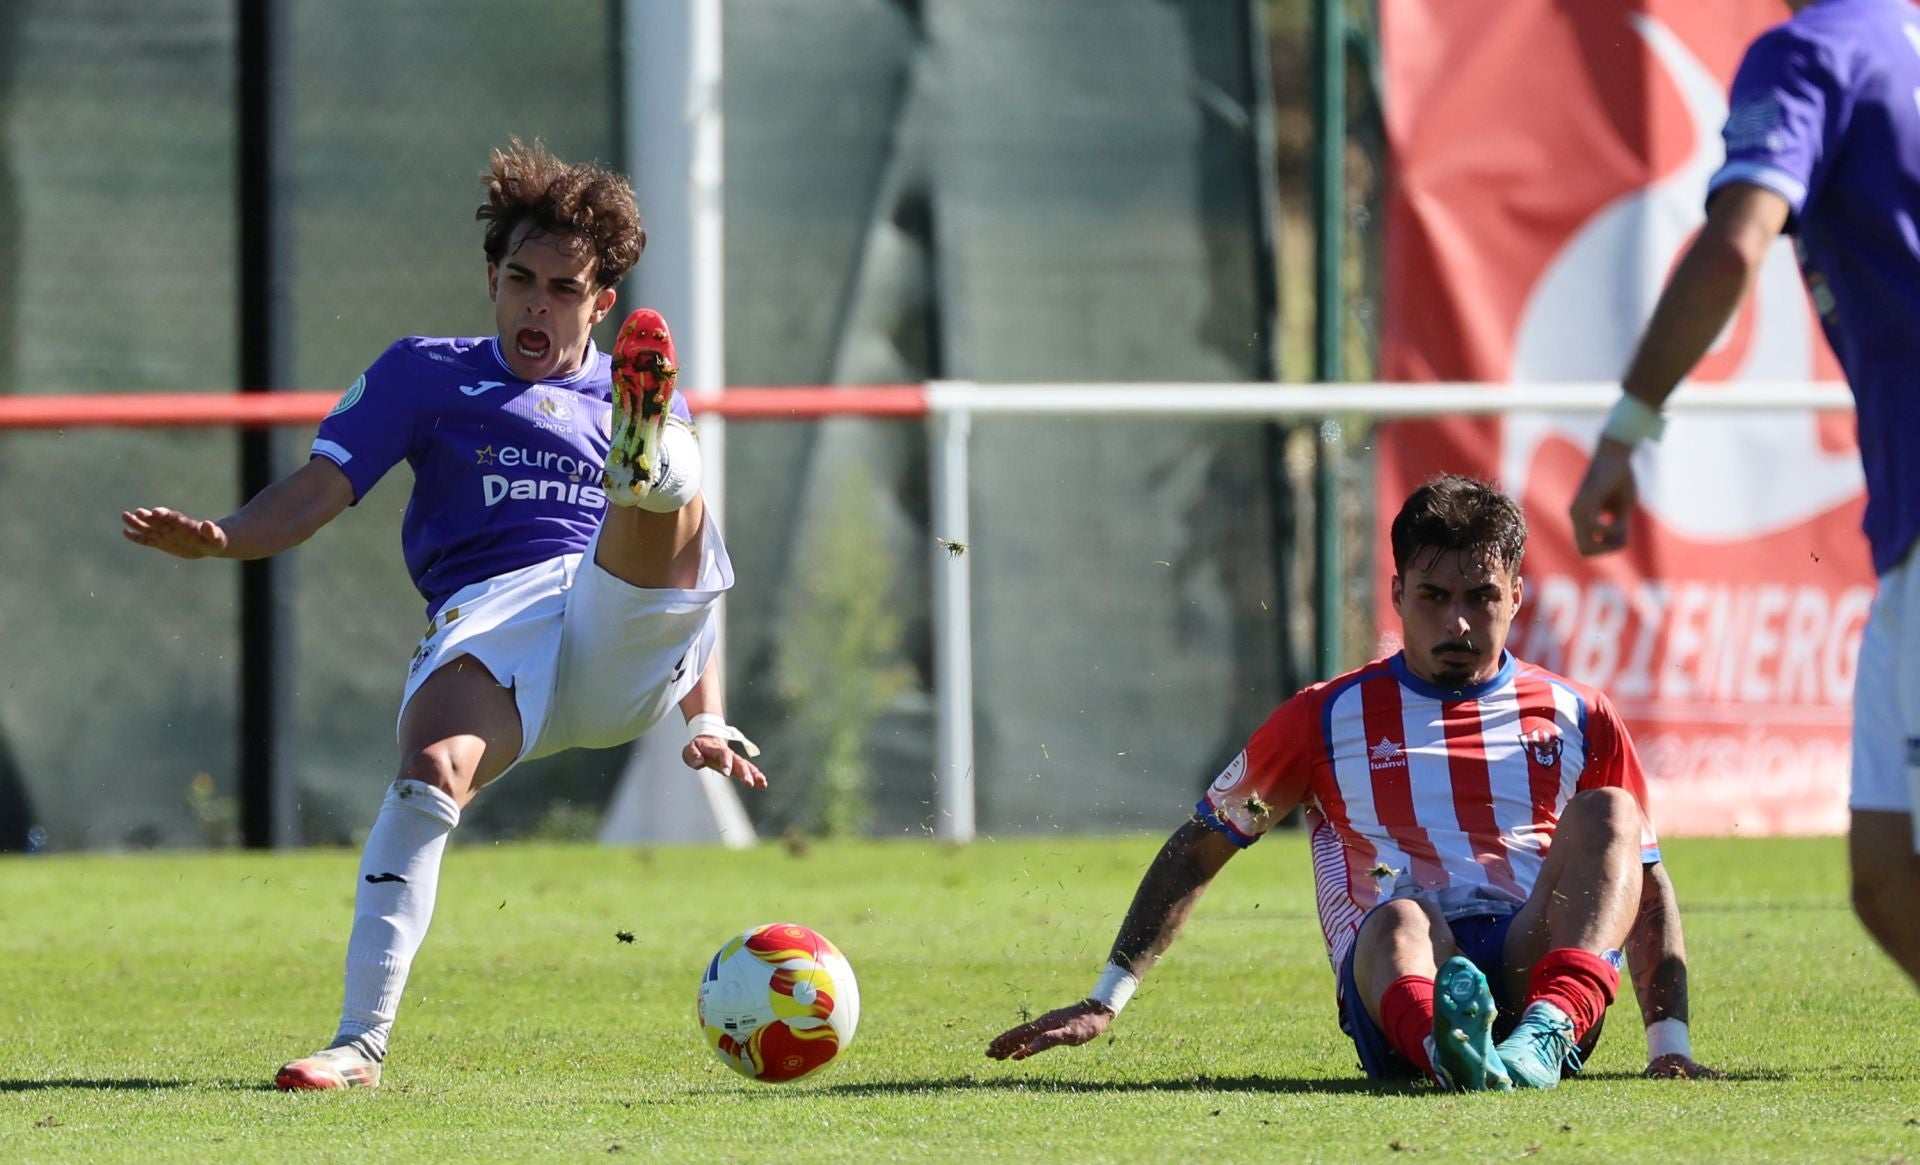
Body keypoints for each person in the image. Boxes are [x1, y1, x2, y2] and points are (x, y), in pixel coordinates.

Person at [121, 139, 766, 1090]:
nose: (535, 304)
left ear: (602, 306)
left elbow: (683, 592)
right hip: (493, 619)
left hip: (612, 616)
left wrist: (705, 715)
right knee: (430, 771)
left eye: (562, 288)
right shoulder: (424, 374)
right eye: (519, 279)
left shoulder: (619, 394)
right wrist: (222, 537)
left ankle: (653, 464)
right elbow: (314, 492)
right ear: (493, 279)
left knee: (668, 480)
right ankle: (359, 1044)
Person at [987, 476, 1717, 1090]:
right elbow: (1201, 847)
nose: (1457, 621)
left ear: (1518, 594)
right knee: (1403, 917)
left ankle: (1541, 1040)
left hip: (1533, 963)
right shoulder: (1323, 717)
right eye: (1432, 594)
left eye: (1481, 596)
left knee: (1614, 814)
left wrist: (1669, 1045)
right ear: (1396, 592)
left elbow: (1639, 882)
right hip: (1396, 976)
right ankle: (1446, 1048)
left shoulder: (1580, 713)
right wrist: (1107, 996)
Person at [1570, 0, 1920, 990]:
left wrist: (1626, 429)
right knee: (1888, 874)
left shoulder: (1812, 53)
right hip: (1906, 516)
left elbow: (1735, 243)